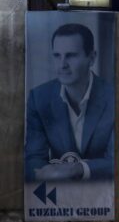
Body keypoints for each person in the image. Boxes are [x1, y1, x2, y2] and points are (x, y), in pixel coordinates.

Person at [25, 23, 114, 182]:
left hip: (102, 196)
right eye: (57, 55)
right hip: (56, 197)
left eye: (71, 55)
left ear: (92, 58)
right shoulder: (39, 98)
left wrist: (79, 169)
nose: (62, 64)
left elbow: (115, 161)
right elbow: (33, 159)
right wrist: (41, 173)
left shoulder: (111, 97)